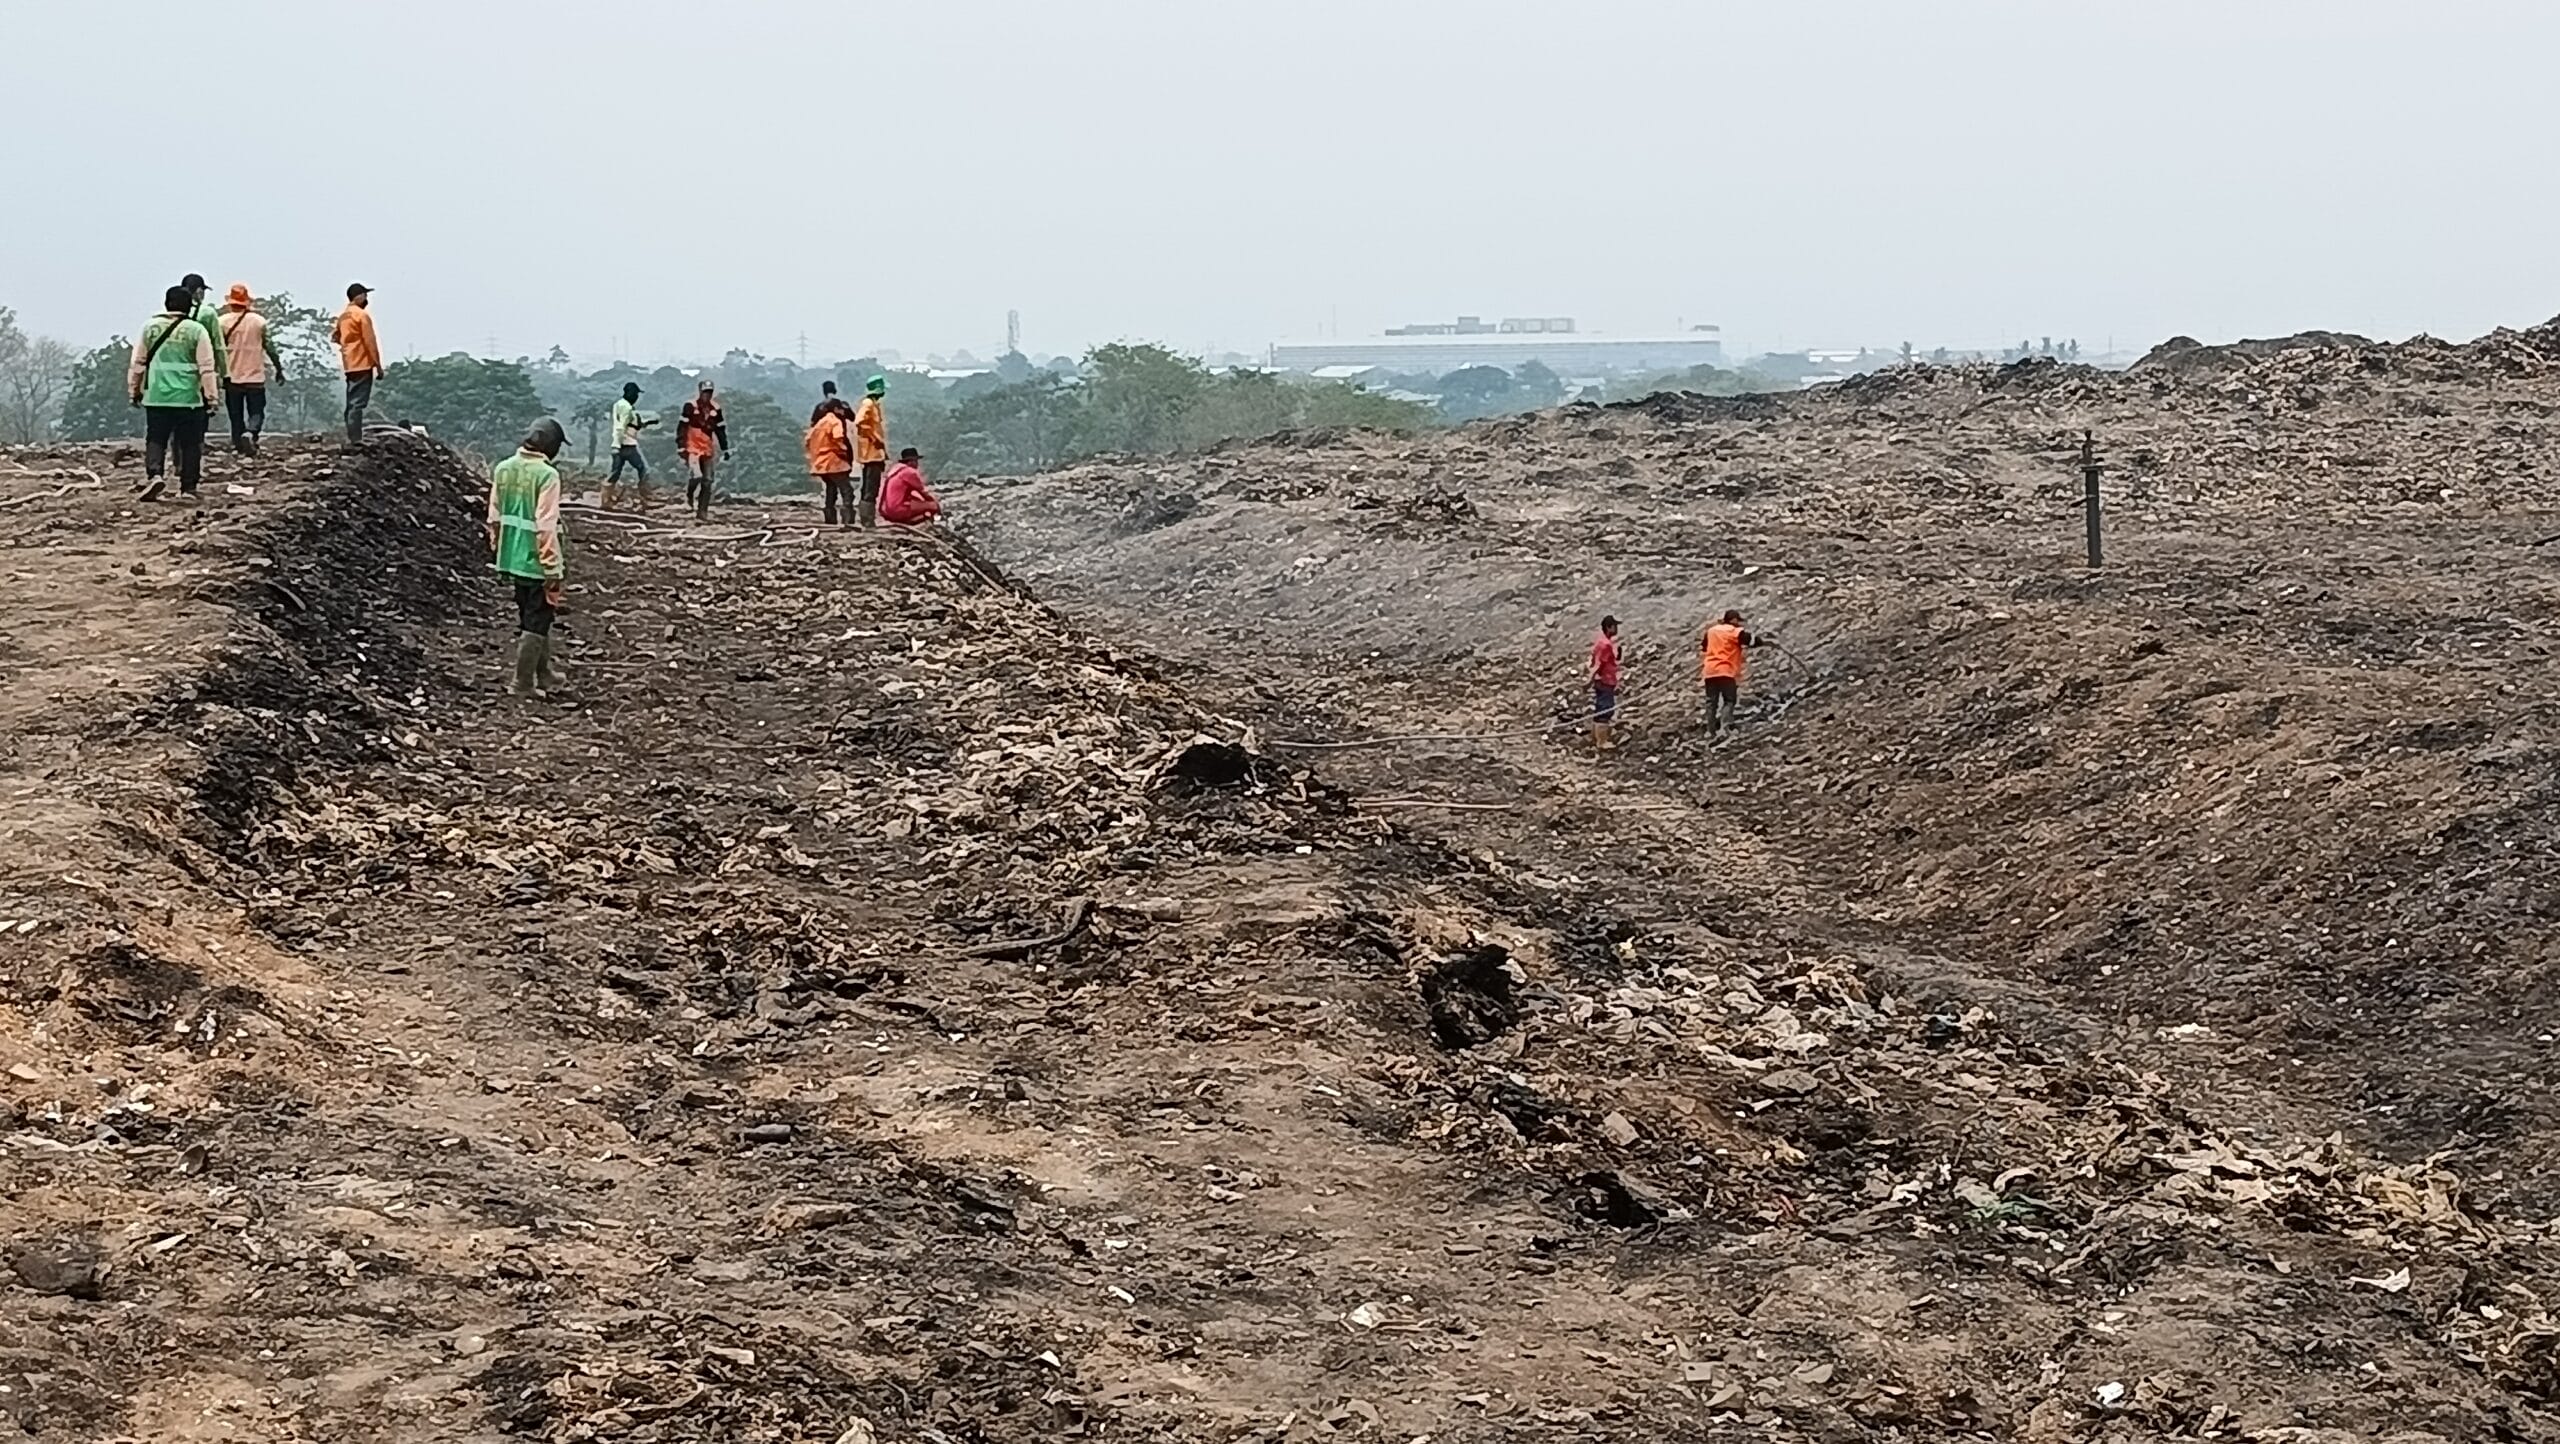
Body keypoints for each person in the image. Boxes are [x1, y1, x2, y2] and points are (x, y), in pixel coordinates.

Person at [489, 418, 570, 699]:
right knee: (537, 620)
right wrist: (552, 567)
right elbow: (545, 526)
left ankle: (544, 673)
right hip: (536, 560)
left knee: (532, 617)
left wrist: (498, 549)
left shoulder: (503, 468)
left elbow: (495, 517)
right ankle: (522, 682)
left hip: (512, 557)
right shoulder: (547, 475)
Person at [126, 285, 221, 502]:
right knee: (190, 443)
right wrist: (212, 397)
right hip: (189, 398)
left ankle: (155, 475)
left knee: (156, 438)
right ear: (189, 306)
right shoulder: (196, 330)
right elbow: (207, 366)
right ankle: (188, 487)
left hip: (157, 396)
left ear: (166, 304)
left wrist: (134, 391)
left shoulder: (150, 328)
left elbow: (138, 363)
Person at [216, 284, 283, 455]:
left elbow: (216, 348)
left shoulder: (221, 322)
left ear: (230, 303)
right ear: (246, 302)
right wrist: (278, 368)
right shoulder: (259, 321)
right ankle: (251, 433)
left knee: (235, 413)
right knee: (256, 411)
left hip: (232, 376)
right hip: (255, 376)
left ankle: (239, 444)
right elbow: (270, 347)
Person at [334, 283, 383, 447]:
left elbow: (335, 337)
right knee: (357, 403)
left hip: (349, 364)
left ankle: (351, 434)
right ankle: (355, 439)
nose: (366, 299)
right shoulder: (361, 315)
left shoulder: (343, 316)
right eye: (365, 295)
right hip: (362, 363)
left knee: (351, 401)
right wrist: (377, 365)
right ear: (359, 296)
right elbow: (370, 342)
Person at [677, 380, 729, 521]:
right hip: (692, 446)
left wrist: (725, 448)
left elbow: (720, 430)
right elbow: (682, 427)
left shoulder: (715, 409)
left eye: (709, 392)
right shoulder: (690, 407)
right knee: (696, 475)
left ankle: (702, 512)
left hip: (707, 447)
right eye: (705, 392)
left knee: (707, 480)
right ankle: (689, 495)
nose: (707, 395)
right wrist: (680, 446)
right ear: (700, 392)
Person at [1699, 608, 1757, 734]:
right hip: (1725, 670)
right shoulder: (1735, 631)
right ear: (1734, 620)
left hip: (1710, 671)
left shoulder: (1711, 631)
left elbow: (1704, 647)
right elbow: (1751, 641)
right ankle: (1725, 729)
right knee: (1729, 700)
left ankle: (1711, 731)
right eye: (1738, 620)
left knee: (1711, 702)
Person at [805, 404, 857, 526]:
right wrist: (843, 451)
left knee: (831, 490)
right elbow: (838, 438)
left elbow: (808, 440)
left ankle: (830, 520)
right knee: (847, 490)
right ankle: (848, 520)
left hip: (820, 463)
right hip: (834, 461)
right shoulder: (835, 421)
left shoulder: (819, 423)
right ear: (836, 409)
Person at [605, 382, 654, 509]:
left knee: (614, 473)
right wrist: (617, 444)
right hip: (627, 445)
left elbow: (623, 425)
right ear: (630, 393)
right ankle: (646, 498)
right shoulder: (627, 408)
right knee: (644, 470)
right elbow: (621, 427)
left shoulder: (619, 405)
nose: (637, 397)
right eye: (636, 394)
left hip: (619, 444)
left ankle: (605, 500)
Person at [853, 374, 888, 527]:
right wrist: (875, 440)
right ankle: (867, 520)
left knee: (870, 487)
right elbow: (860, 423)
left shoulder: (874, 405)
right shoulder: (868, 404)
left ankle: (867, 518)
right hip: (871, 454)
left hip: (874, 454)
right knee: (870, 488)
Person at [877, 447, 941, 525]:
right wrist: (936, 504)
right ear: (911, 461)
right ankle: (917, 522)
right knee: (933, 506)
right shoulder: (910, 472)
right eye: (916, 461)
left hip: (885, 511)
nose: (917, 464)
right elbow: (924, 493)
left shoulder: (895, 470)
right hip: (896, 510)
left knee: (918, 501)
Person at [1590, 615, 1622, 753]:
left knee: (1601, 709)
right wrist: (1589, 679)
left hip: (1603, 680)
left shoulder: (1601, 642)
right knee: (1605, 710)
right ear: (1609, 627)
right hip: (1605, 681)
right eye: (1615, 626)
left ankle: (1597, 738)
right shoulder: (1606, 645)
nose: (1617, 629)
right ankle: (1602, 741)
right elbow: (1599, 664)